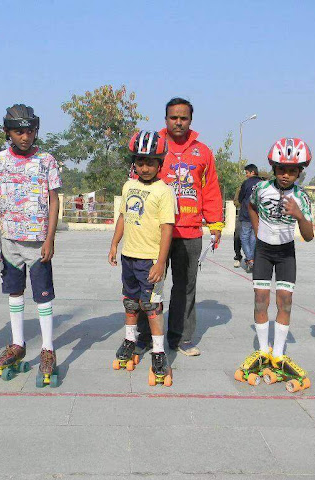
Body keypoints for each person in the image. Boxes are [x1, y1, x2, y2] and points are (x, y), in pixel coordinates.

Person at [136, 97, 224, 357]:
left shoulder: (203, 152)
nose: (178, 122)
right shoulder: (153, 147)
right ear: (165, 120)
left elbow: (210, 190)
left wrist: (215, 223)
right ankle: (143, 336)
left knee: (185, 286)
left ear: (190, 121)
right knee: (149, 284)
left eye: (183, 118)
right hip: (155, 231)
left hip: (189, 231)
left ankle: (181, 337)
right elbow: (138, 184)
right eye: (173, 117)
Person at [0, 104, 62, 387]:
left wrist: (50, 237)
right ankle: (18, 344)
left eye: (29, 131)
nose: (25, 137)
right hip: (10, 241)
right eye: (19, 132)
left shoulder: (47, 160)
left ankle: (47, 348)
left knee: (43, 296)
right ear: (8, 132)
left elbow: (54, 200)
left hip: (38, 241)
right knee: (14, 292)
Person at [109, 131, 175, 385]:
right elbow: (123, 217)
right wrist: (114, 244)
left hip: (150, 259)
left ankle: (158, 351)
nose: (145, 168)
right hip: (129, 256)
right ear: (134, 162)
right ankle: (130, 339)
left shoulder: (164, 191)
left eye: (150, 163)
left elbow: (167, 227)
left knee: (152, 305)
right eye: (140, 162)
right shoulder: (129, 186)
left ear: (160, 163)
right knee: (130, 302)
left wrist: (161, 261)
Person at [247, 138, 314, 387]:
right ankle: (264, 350)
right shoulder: (261, 188)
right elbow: (251, 207)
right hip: (264, 251)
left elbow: (308, 236)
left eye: (292, 171)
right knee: (260, 299)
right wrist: (257, 231)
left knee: (284, 301)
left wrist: (298, 215)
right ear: (273, 168)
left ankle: (278, 354)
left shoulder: (302, 197)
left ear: (299, 172)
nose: (286, 175)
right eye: (281, 169)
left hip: (286, 253)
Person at [238, 164, 263, 273]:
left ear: (252, 172)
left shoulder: (246, 183)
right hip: (258, 216)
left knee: (244, 237)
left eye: (247, 173)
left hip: (246, 215)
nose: (246, 175)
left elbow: (240, 198)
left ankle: (250, 259)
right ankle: (252, 259)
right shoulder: (263, 184)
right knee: (253, 238)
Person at [233, 184, 243, 268]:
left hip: (255, 215)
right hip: (242, 214)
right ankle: (238, 256)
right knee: (237, 236)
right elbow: (235, 201)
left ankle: (251, 259)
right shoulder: (241, 187)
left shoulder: (260, 186)